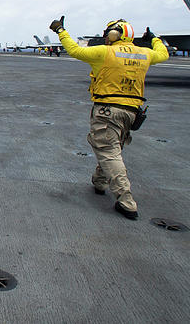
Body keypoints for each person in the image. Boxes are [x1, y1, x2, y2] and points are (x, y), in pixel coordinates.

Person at [49, 15, 169, 220]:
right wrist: (154, 38)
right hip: (131, 113)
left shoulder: (106, 52)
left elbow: (75, 50)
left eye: (108, 34)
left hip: (108, 111)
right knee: (112, 147)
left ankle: (126, 200)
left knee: (109, 152)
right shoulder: (145, 54)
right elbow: (163, 54)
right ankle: (100, 181)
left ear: (115, 34)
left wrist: (61, 31)